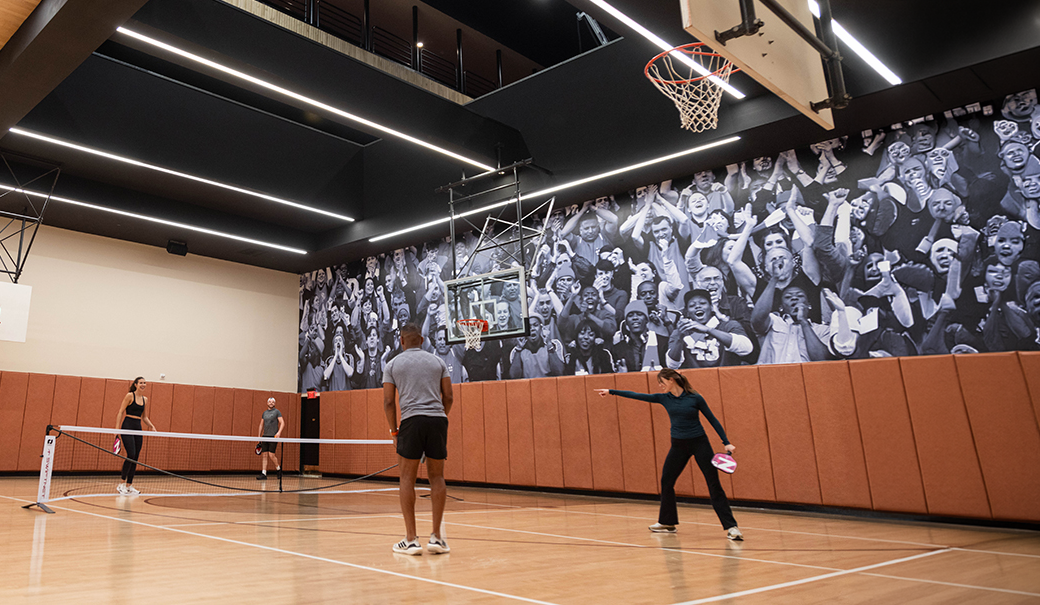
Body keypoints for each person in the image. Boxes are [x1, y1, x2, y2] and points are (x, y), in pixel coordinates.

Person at [594, 369, 742, 540]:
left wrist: (726, 442)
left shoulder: (695, 398)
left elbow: (712, 420)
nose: (660, 385)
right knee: (667, 481)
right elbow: (637, 395)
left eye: (662, 382)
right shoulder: (664, 398)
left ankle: (732, 527)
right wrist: (611, 391)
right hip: (678, 446)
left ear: (671, 380)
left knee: (713, 483)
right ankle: (667, 522)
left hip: (700, 444)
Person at [383, 323, 453, 556]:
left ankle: (411, 540)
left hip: (411, 422)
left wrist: (394, 432)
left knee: (406, 478)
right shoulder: (438, 362)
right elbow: (448, 396)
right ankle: (437, 538)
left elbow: (389, 402)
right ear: (422, 340)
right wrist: (439, 417)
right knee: (437, 477)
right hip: (438, 420)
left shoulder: (392, 365)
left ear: (401, 340)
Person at [114, 377, 156, 495]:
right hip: (127, 426)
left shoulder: (145, 399)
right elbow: (121, 411)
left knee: (135, 457)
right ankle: (121, 484)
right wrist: (116, 429)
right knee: (131, 454)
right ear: (136, 384)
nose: (143, 384)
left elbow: (144, 417)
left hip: (138, 428)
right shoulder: (129, 396)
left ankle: (129, 486)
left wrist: (152, 426)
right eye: (141, 383)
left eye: (144, 383)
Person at [257, 397, 284, 480]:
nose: (271, 403)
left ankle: (278, 469)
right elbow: (261, 424)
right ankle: (264, 473)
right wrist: (259, 436)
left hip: (273, 437)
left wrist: (279, 432)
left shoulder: (277, 412)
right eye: (269, 402)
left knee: (271, 455)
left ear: (274, 404)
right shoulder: (264, 413)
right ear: (267, 403)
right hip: (265, 436)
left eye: (272, 402)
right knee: (264, 455)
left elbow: (282, 423)